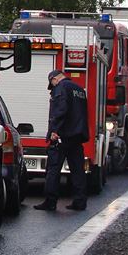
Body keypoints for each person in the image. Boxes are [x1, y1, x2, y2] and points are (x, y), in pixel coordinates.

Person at [34, 70, 90, 211]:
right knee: (78, 170)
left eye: (51, 83)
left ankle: (50, 201)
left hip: (62, 136)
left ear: (54, 79)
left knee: (53, 168)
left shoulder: (61, 87)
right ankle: (80, 201)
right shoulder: (79, 89)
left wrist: (54, 130)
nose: (52, 87)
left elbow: (61, 109)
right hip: (77, 136)